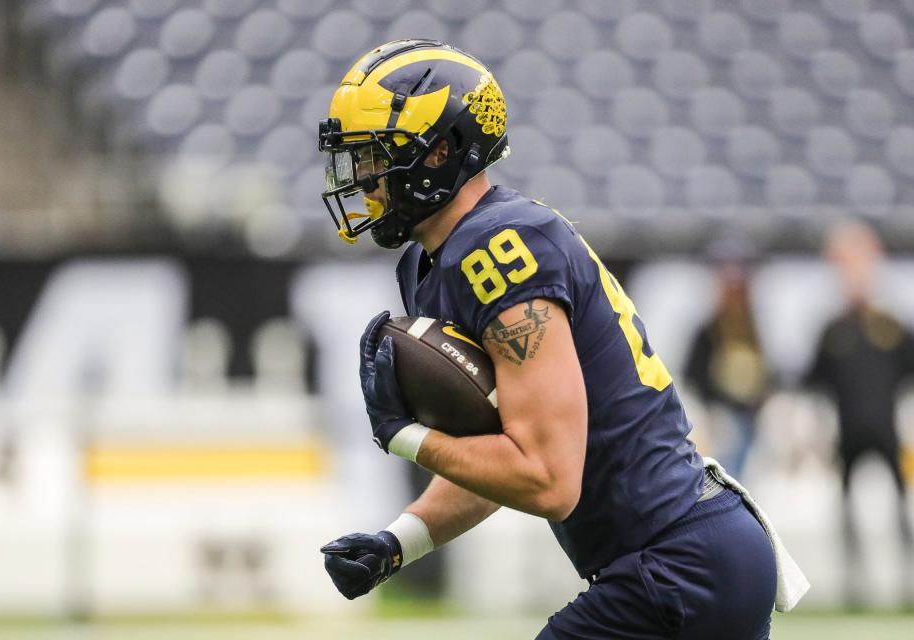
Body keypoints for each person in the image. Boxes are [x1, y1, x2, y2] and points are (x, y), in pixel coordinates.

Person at [316, 40, 805, 639]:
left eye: (375, 157)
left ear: (439, 152)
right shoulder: (439, 262)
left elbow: (547, 476)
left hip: (677, 561)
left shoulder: (497, 251)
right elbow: (503, 455)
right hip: (685, 556)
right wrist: (399, 542)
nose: (362, 178)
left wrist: (407, 437)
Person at [805, 221, 914, 608]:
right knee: (847, 509)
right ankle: (855, 586)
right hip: (848, 430)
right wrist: (818, 433)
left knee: (900, 507)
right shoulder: (832, 330)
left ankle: (906, 584)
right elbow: (814, 385)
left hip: (887, 428)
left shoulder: (892, 326)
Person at [686, 239, 771, 481]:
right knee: (726, 470)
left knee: (747, 471)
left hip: (749, 416)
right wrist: (714, 408)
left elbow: (763, 370)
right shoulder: (709, 329)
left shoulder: (751, 327)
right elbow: (694, 374)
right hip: (722, 416)